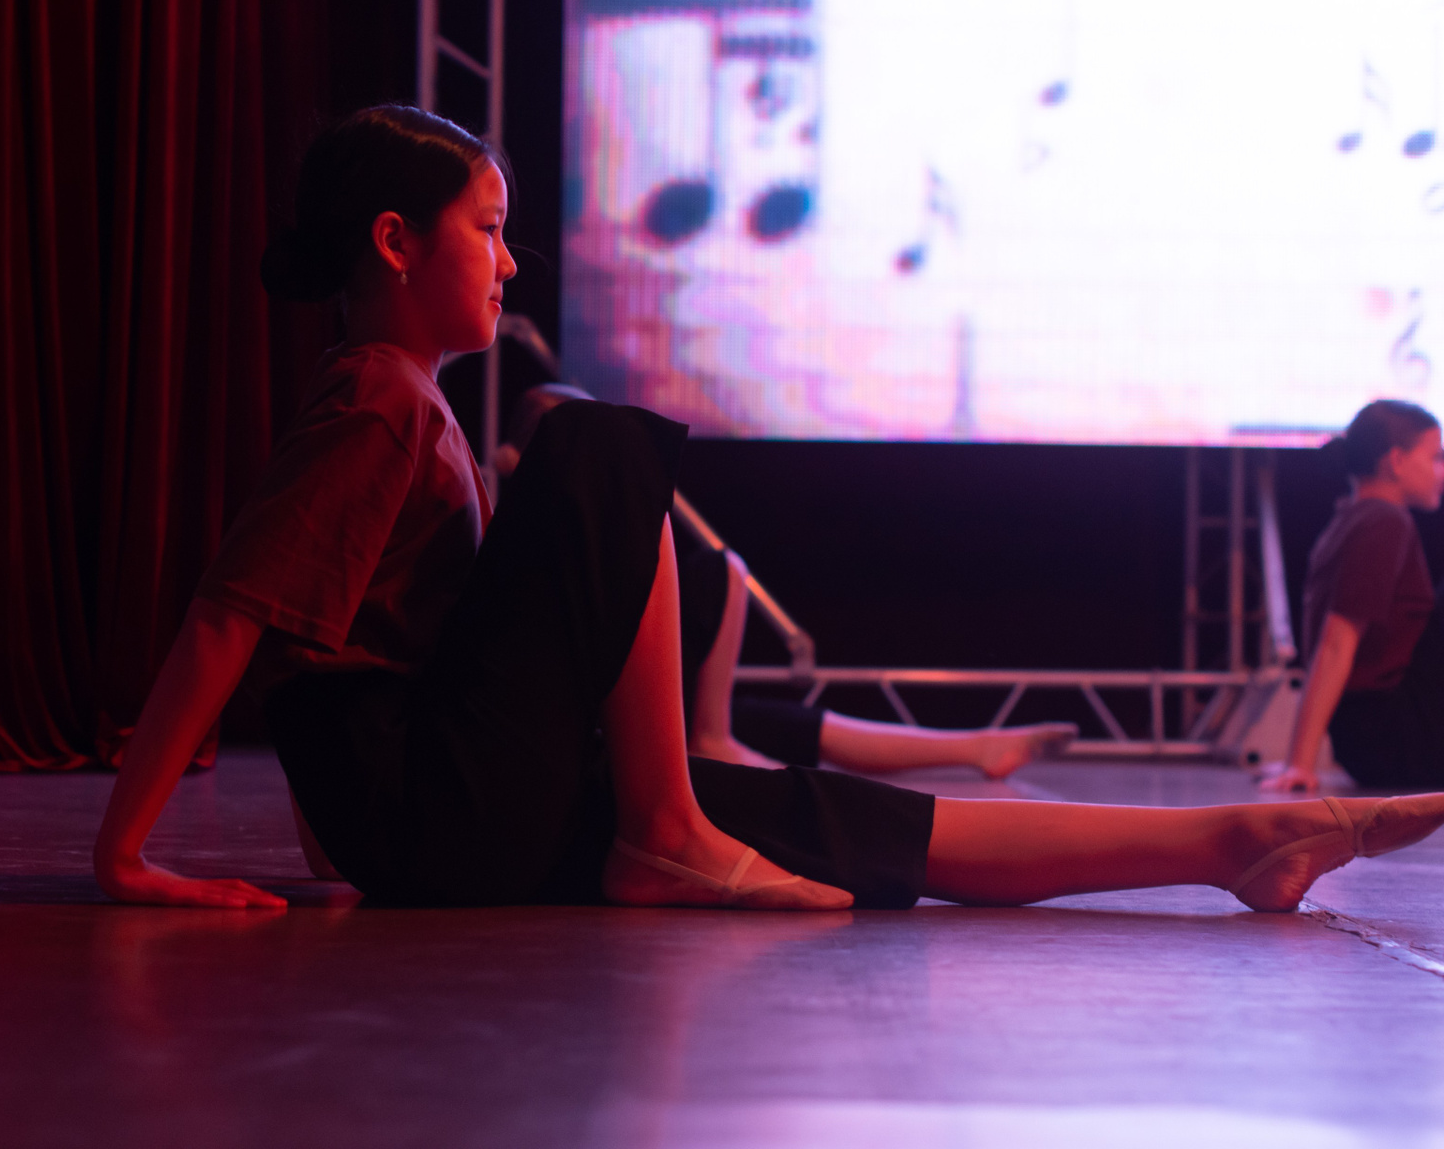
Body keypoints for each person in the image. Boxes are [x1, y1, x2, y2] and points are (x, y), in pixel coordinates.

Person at [94, 104, 1444, 915]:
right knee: (589, 438)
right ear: (396, 241)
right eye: (488, 229)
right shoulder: (376, 393)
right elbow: (232, 615)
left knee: (819, 816)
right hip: (428, 812)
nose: (510, 262)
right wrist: (127, 852)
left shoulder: (413, 401)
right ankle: (668, 824)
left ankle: (1233, 843)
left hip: (441, 806)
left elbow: (363, 646)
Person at [496, 384, 1078, 777]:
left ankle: (979, 747)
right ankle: (718, 745)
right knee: (721, 571)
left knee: (790, 722)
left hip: (619, 696)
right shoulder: (508, 518)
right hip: (585, 713)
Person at [1264, 401, 1444, 793]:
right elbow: (1335, 644)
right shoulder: (1383, 521)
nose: (1442, 472)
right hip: (1390, 736)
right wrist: (1299, 764)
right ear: (1397, 461)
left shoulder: (1354, 516)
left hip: (1372, 735)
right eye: (1435, 458)